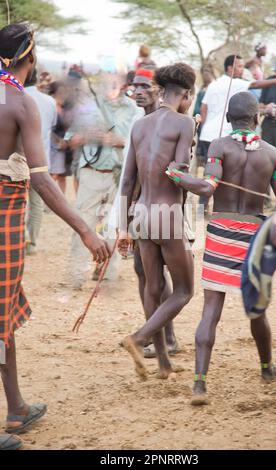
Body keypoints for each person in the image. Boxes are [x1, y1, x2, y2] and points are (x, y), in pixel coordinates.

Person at [0, 23, 110, 451]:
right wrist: (86, 230)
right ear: (30, 57)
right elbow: (42, 181)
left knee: (3, 316)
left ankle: (15, 407)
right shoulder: (19, 103)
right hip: (3, 218)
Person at [167, 92, 276, 405]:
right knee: (256, 309)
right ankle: (266, 368)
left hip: (221, 231)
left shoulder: (220, 146)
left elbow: (208, 187)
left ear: (226, 119)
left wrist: (177, 175)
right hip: (254, 235)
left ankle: (199, 386)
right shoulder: (272, 154)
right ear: (257, 118)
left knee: (211, 310)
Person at [119, 63, 196, 380]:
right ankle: (138, 339)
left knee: (153, 287)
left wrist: (124, 227)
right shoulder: (185, 122)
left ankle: (163, 364)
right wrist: (204, 183)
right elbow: (178, 174)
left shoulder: (140, 125)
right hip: (167, 215)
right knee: (183, 290)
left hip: (140, 215)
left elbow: (127, 181)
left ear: (161, 90)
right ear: (187, 94)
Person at [68, 70, 137, 288]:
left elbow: (139, 143)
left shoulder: (134, 110)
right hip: (91, 173)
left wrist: (119, 141)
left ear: (125, 86)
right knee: (83, 224)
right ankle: (76, 276)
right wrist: (89, 137)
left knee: (113, 225)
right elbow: (70, 140)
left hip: (119, 176)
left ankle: (108, 274)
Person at [200, 54, 276, 147]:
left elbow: (203, 107)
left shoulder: (213, 84)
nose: (242, 69)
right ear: (230, 68)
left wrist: (204, 127)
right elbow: (255, 85)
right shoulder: (234, 83)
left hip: (206, 134)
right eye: (239, 66)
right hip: (222, 136)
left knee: (209, 161)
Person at [24, 68, 57, 255]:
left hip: (16, 161)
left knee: (14, 200)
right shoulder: (49, 101)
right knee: (36, 203)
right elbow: (52, 126)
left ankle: (17, 238)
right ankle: (32, 243)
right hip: (41, 161)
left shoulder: (11, 97)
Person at [49, 81, 73, 194]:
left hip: (64, 146)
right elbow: (47, 127)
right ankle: (50, 201)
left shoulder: (66, 107)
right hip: (52, 145)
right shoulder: (50, 105)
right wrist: (57, 141)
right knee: (52, 175)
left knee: (62, 175)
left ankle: (61, 198)